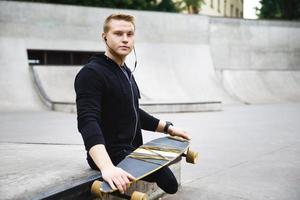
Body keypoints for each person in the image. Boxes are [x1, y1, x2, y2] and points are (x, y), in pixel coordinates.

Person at [74, 13, 190, 195]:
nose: (125, 39)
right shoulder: (92, 73)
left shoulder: (125, 71)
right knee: (169, 182)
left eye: (130, 34)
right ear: (105, 37)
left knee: (170, 183)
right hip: (111, 153)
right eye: (118, 34)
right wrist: (106, 167)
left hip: (132, 148)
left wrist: (168, 128)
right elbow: (88, 121)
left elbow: (133, 111)